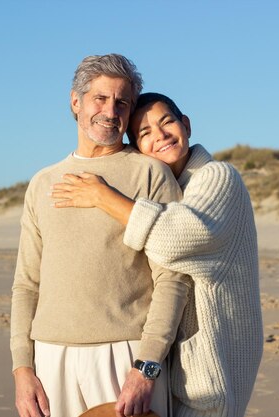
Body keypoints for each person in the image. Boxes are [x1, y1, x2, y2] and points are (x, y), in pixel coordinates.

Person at [50, 93, 263, 417]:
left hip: (211, 386)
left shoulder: (218, 177)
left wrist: (102, 196)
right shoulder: (171, 190)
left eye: (166, 122)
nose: (160, 135)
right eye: (145, 133)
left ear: (186, 125)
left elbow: (179, 238)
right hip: (177, 380)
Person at [10, 57, 191, 417]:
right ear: (76, 102)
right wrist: (22, 369)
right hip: (50, 358)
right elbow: (26, 284)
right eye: (100, 98)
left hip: (125, 356)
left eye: (122, 102)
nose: (110, 111)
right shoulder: (42, 182)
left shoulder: (150, 173)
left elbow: (173, 277)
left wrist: (147, 365)